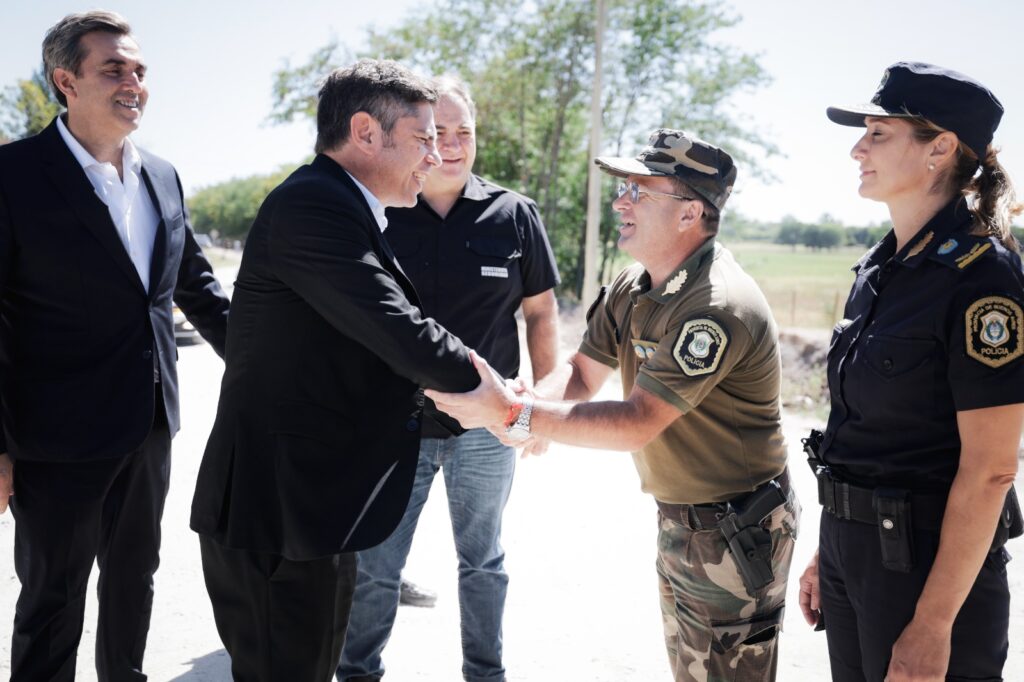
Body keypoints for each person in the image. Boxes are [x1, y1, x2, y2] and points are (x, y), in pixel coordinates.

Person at [428, 129, 798, 682]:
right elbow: (581, 372)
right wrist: (528, 401)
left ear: (689, 213)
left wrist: (512, 414)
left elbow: (635, 423)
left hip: (735, 527)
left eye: (639, 192)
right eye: (624, 187)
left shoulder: (716, 306)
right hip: (684, 519)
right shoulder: (634, 283)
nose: (621, 202)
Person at [189, 59, 481, 682]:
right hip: (277, 511)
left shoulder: (344, 207)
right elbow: (395, 328)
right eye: (424, 137)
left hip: (313, 509)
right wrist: (500, 400)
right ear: (366, 132)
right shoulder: (314, 206)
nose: (435, 155)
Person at [0, 10, 230, 681]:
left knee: (135, 580)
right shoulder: (12, 176)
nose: (133, 81)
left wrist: (269, 362)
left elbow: (197, 288)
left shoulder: (162, 176)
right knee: (53, 599)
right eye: (114, 69)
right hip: (53, 440)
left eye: (139, 70)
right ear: (65, 80)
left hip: (150, 424)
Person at [797, 62, 1024, 681]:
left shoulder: (983, 278)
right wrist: (833, 544)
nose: (856, 150)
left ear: (940, 149)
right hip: (856, 554)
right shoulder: (878, 268)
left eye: (878, 133)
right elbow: (861, 429)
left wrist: (933, 624)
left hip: (925, 565)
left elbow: (993, 469)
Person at [338, 76, 560, 682]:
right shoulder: (378, 212)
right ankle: (357, 672)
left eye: (466, 131)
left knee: (483, 561)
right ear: (418, 138)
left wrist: (541, 404)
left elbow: (541, 312)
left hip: (489, 428)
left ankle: (485, 674)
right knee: (377, 563)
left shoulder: (514, 215)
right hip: (392, 425)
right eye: (438, 132)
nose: (454, 144)